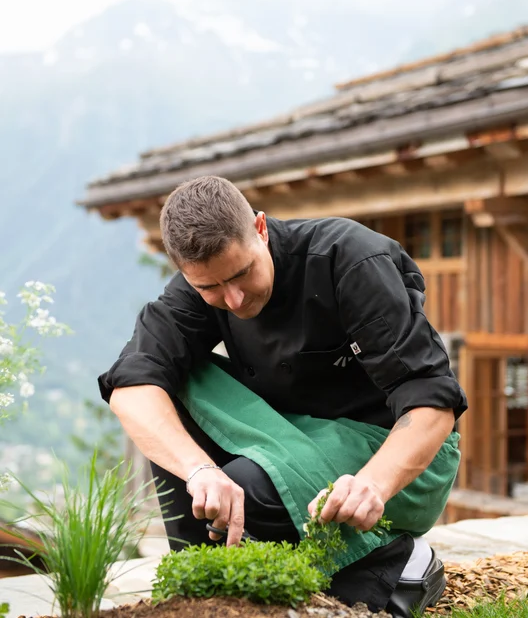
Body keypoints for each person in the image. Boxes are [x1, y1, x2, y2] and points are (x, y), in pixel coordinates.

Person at [99, 175, 467, 617]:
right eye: (210, 288)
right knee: (169, 386)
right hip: (287, 436)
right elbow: (130, 385)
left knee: (248, 489)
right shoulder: (202, 288)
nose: (232, 299)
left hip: (388, 457)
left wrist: (373, 483)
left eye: (241, 274)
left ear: (260, 228)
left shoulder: (348, 259)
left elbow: (432, 401)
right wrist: (198, 471)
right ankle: (202, 594)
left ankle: (399, 564)